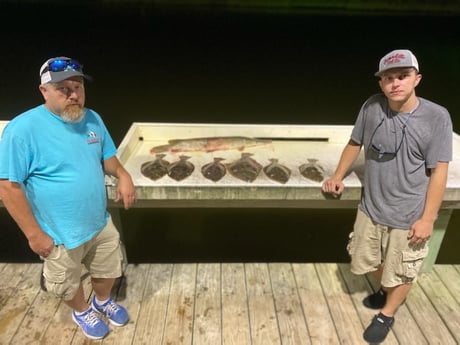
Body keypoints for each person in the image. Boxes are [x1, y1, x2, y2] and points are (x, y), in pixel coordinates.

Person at [0, 56, 137, 340]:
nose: (74, 95)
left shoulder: (92, 118)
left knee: (108, 268)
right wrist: (34, 235)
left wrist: (123, 175)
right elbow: (8, 187)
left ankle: (101, 301)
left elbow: (107, 157)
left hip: (98, 221)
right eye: (64, 89)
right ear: (44, 90)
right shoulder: (21, 130)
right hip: (58, 232)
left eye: (78, 87)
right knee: (67, 280)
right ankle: (81, 310)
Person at [322, 49, 452, 343]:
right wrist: (337, 176)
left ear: (417, 79)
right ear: (381, 84)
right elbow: (355, 143)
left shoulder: (436, 117)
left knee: (404, 270)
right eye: (389, 78)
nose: (396, 83)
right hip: (371, 208)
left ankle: (387, 313)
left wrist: (428, 219)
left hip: (409, 215)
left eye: (403, 76)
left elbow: (439, 172)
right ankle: (384, 290)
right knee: (371, 259)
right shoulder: (372, 107)